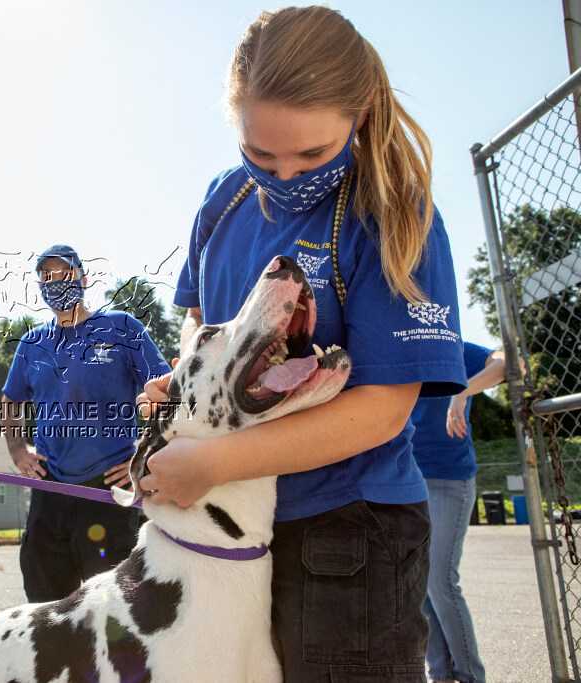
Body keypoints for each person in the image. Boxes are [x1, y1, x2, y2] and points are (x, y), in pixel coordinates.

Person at [136, 7, 467, 680]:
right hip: (231, 522)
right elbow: (199, 333)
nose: (285, 177)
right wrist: (180, 385)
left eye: (312, 155)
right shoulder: (221, 203)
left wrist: (213, 461)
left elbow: (381, 409)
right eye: (260, 155)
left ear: (362, 113)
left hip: (349, 531)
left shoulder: (396, 214)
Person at [1, 244, 172, 603]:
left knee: (115, 612)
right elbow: (11, 400)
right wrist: (18, 451)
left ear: (83, 277)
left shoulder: (122, 328)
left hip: (109, 490)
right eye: (47, 277)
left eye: (64, 274)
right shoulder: (33, 343)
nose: (56, 283)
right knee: (46, 609)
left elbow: (166, 394)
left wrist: (142, 461)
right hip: (50, 490)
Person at [411, 342, 506, 683]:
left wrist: (463, 391)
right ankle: (441, 674)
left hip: (449, 480)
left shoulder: (452, 348)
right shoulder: (400, 348)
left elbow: (506, 363)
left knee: (440, 582)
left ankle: (470, 676)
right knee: (419, 587)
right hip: (410, 483)